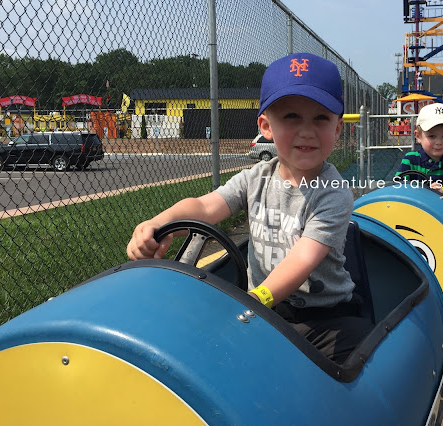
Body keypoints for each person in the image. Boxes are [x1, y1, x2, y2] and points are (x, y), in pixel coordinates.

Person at [126, 52, 372, 364]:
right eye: (291, 117)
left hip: (325, 317)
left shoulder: (334, 193)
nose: (307, 131)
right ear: (266, 127)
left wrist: (256, 299)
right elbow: (205, 206)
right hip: (265, 311)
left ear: (337, 129)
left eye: (321, 118)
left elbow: (303, 259)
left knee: (352, 355)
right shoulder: (255, 178)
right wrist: (159, 224)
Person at [395, 103, 443, 206]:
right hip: (418, 209)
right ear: (418, 136)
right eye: (432, 136)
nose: (439, 142)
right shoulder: (410, 159)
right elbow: (398, 186)